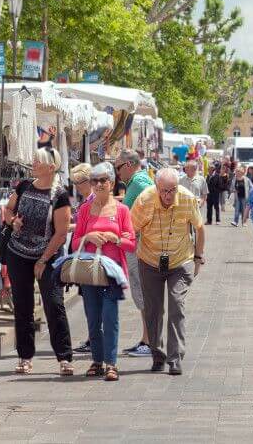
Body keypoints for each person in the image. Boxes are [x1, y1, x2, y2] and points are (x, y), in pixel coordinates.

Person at [1, 147, 75, 376]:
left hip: (48, 256)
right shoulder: (23, 186)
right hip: (18, 253)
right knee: (22, 306)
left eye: (38, 161)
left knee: (54, 305)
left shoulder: (60, 195)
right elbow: (7, 210)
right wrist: (13, 221)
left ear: (51, 167)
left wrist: (43, 260)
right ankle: (24, 356)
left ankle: (64, 357)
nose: (33, 163)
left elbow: (61, 233)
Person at [131, 168, 206, 375]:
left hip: (181, 261)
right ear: (156, 188)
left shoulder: (187, 198)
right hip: (149, 260)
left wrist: (198, 258)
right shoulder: (144, 200)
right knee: (153, 310)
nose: (168, 195)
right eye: (164, 191)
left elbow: (199, 228)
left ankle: (175, 358)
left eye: (172, 190)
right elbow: (131, 229)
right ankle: (158, 354)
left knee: (176, 303)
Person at [72, 163, 136, 381]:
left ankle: (111, 363)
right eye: (94, 181)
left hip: (112, 271)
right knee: (92, 317)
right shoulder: (84, 210)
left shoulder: (121, 210)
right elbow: (74, 243)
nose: (98, 185)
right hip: (89, 271)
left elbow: (131, 243)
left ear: (111, 183)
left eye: (103, 180)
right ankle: (97, 360)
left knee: (110, 317)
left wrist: (115, 238)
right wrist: (88, 237)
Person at [114, 149, 154, 358]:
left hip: (140, 246)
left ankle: (150, 341)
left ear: (128, 165)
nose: (117, 172)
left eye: (118, 167)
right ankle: (147, 339)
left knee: (143, 292)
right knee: (141, 292)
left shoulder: (139, 182)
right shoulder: (136, 183)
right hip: (138, 245)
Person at [68, 162, 95, 356]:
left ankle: (94, 338)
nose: (76, 186)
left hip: (89, 255)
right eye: (75, 182)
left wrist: (68, 227)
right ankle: (93, 337)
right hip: (83, 254)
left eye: (79, 182)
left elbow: (87, 228)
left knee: (91, 300)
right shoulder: (86, 199)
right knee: (88, 298)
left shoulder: (92, 201)